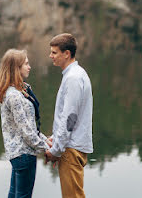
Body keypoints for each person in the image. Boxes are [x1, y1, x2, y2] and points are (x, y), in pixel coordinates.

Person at [0, 49, 51, 198]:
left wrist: (45, 140)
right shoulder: (14, 96)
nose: (29, 66)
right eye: (26, 64)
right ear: (15, 69)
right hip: (24, 154)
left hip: (19, 155)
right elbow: (26, 132)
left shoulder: (18, 91)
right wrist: (47, 149)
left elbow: (28, 126)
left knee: (14, 195)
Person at [45, 33, 93, 198]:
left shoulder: (73, 78)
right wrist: (54, 138)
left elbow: (70, 119)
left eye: (54, 52)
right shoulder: (76, 74)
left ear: (67, 53)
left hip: (70, 148)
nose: (50, 56)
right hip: (70, 145)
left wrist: (56, 150)